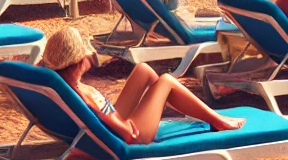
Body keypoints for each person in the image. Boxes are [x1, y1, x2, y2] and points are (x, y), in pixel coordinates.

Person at [41, 26, 243, 143]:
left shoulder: (62, 84)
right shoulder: (83, 95)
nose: (89, 58)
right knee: (166, 81)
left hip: (114, 122)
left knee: (144, 70)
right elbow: (125, 133)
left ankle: (173, 106)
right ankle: (217, 121)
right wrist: (126, 127)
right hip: (131, 135)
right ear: (77, 62)